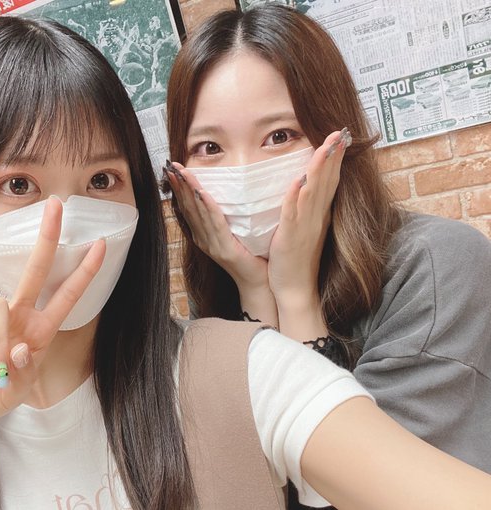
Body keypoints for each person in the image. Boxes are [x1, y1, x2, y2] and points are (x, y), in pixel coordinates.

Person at [0, 15, 491, 510]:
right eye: (17, 184)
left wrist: (284, 295)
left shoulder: (245, 368)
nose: (63, 221)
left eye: (101, 179)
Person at [163, 4, 491, 505]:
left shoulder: (436, 266)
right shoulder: (221, 282)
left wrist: (294, 295)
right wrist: (255, 290)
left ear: (335, 140)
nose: (244, 172)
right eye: (209, 148)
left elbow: (353, 495)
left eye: (279, 136)